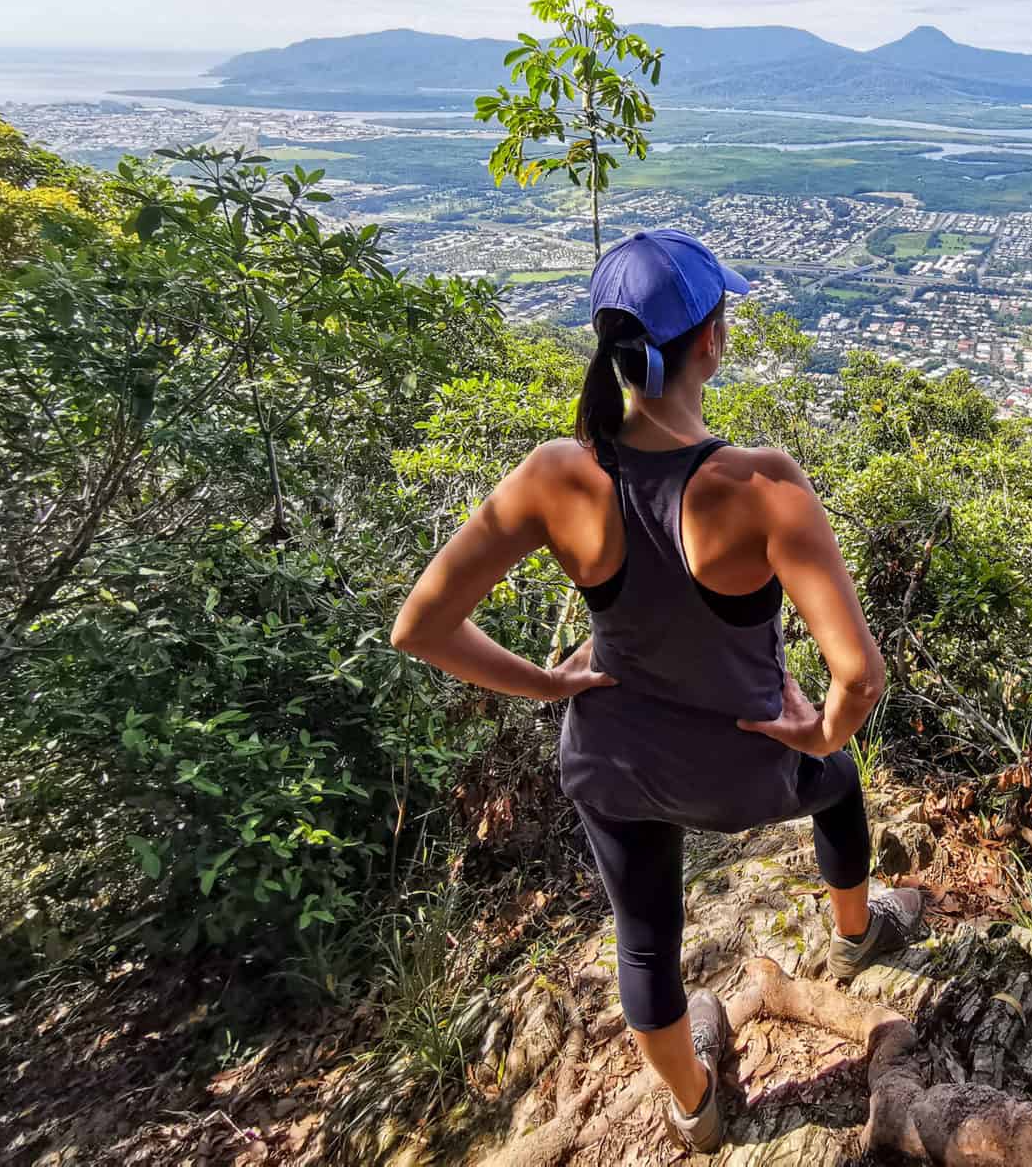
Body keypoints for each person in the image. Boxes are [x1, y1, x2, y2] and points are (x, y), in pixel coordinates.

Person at [391, 228, 922, 1154]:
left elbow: (421, 628)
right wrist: (814, 736)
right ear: (711, 341)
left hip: (614, 765)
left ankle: (694, 1107)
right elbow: (860, 677)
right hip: (743, 770)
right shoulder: (759, 483)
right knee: (839, 786)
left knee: (644, 940)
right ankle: (855, 933)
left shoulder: (556, 474)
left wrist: (548, 684)